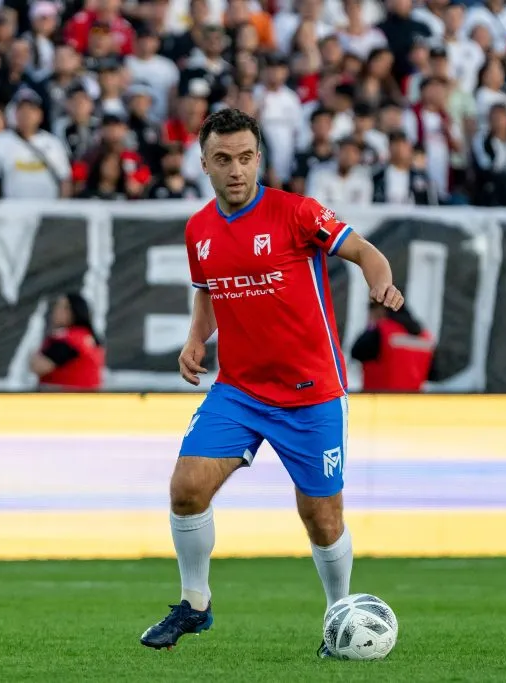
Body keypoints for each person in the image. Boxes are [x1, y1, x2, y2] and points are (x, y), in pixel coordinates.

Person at [138, 108, 403, 656]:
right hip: (239, 391)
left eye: (245, 158)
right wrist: (196, 340)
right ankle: (195, 604)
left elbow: (364, 252)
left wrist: (382, 282)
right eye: (222, 160)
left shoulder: (297, 213)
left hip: (312, 394)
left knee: (321, 517)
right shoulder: (200, 229)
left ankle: (339, 617)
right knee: (186, 489)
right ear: (204, 163)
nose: (235, 170)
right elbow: (208, 289)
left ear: (259, 157)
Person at [350, 303, 437, 391]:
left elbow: (356, 351)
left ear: (380, 310)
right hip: (412, 401)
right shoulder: (425, 337)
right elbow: (433, 374)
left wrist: (371, 328)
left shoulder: (380, 332)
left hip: (379, 400)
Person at [30, 293, 105, 391]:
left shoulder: (67, 340)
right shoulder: (88, 337)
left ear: (70, 312)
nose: (54, 312)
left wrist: (34, 356)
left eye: (59, 307)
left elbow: (38, 367)